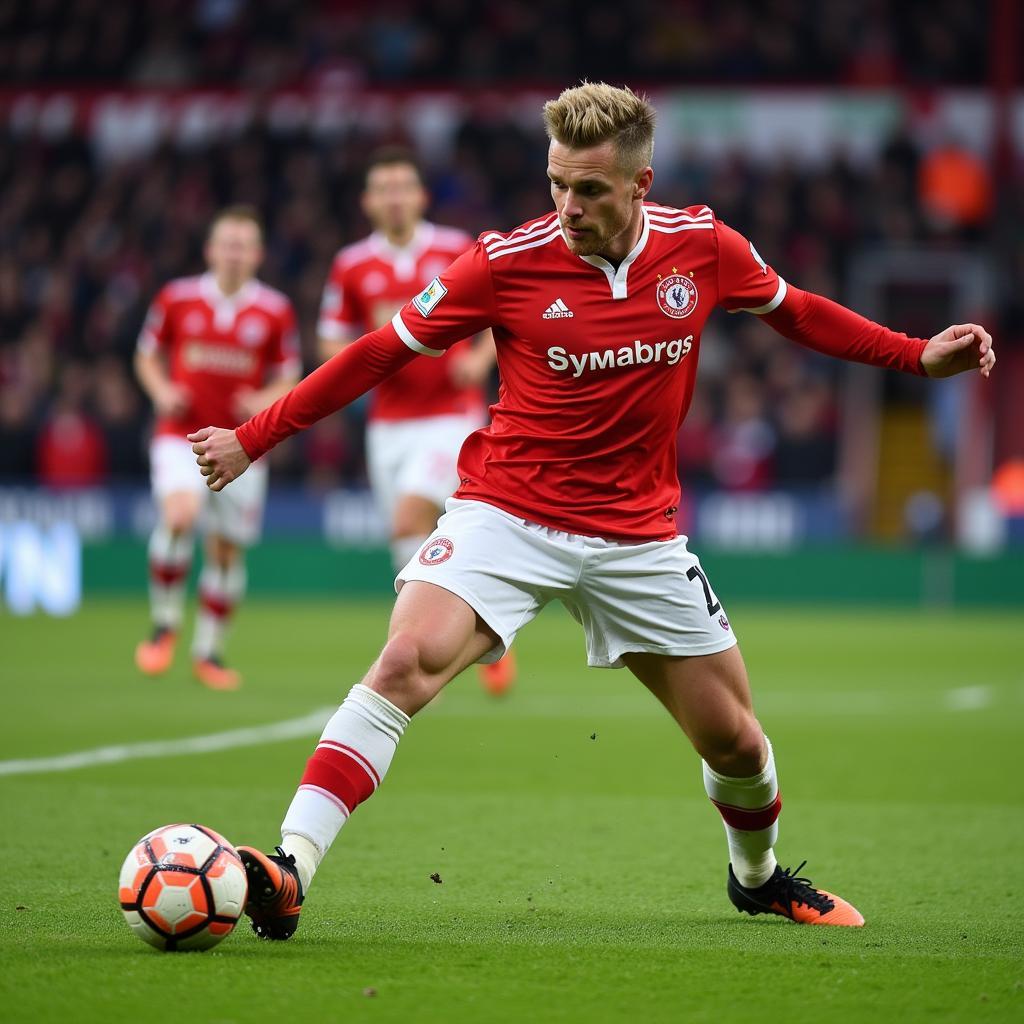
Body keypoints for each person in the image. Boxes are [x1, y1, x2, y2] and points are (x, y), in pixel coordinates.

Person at [190, 84, 995, 935]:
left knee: (739, 745)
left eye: (591, 190)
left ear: (642, 183)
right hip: (507, 513)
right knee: (403, 663)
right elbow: (376, 352)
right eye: (556, 185)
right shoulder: (503, 262)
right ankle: (289, 868)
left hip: (638, 536)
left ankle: (755, 877)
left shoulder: (702, 247)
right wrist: (253, 437)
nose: (567, 207)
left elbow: (799, 313)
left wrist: (915, 357)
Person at [318, 146, 516, 697]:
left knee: (413, 515)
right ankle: (478, 632)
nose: (395, 197)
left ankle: (418, 643)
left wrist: (478, 360)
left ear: (421, 196)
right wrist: (367, 356)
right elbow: (331, 337)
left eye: (404, 186)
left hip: (451, 418)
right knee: (411, 536)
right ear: (368, 202)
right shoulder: (352, 263)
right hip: (388, 425)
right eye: (384, 188)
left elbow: (505, 314)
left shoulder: (456, 248)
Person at [135, 206, 301, 690]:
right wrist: (162, 392)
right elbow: (146, 354)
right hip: (181, 434)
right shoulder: (177, 298)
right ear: (210, 249)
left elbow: (288, 373)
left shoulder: (273, 309)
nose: (234, 253)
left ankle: (208, 652)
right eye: (226, 243)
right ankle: (164, 624)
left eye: (243, 245)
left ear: (258, 254)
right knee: (180, 516)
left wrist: (261, 399)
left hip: (244, 444)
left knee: (226, 553)